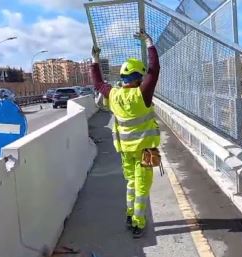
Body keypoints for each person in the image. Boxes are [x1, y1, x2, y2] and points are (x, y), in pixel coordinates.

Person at [90, 30, 161, 238]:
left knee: (131, 184)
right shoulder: (142, 94)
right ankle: (139, 223)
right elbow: (154, 70)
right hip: (145, 151)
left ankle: (130, 216)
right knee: (142, 187)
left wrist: (94, 60)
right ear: (139, 77)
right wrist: (149, 43)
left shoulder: (113, 94)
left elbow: (97, 84)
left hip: (125, 151)